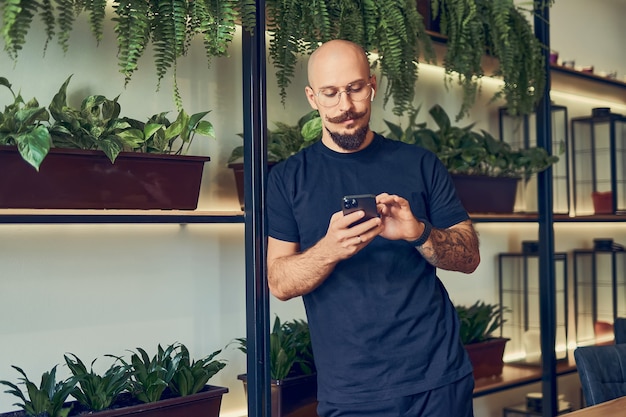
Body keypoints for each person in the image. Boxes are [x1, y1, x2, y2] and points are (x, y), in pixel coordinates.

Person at [266, 39, 481, 417]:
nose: (345, 106)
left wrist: (419, 233)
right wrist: (330, 248)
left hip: (439, 378)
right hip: (352, 392)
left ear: (373, 85)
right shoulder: (287, 179)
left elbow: (468, 257)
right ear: (312, 98)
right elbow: (280, 282)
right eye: (330, 94)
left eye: (355, 89)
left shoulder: (420, 164)